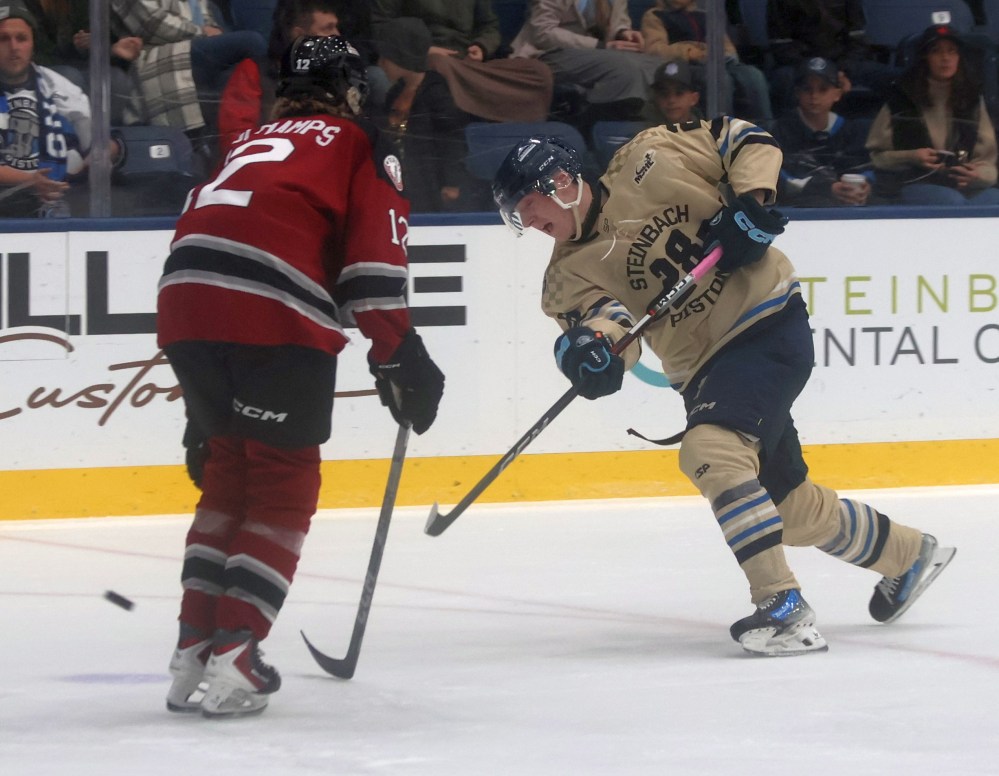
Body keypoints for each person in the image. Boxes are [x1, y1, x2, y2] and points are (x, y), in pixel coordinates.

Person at [490, 131, 955, 656]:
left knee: (711, 452)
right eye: (520, 218)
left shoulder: (650, 155)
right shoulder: (565, 277)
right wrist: (592, 351)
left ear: (560, 182)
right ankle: (910, 555)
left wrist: (749, 205)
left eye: (530, 208)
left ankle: (783, 607)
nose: (529, 224)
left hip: (764, 322)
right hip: (705, 371)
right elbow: (611, 329)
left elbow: (750, 141)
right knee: (788, 507)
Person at [158, 35, 445, 717]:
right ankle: (236, 649)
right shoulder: (358, 141)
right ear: (351, 90)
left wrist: (202, 413)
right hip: (270, 307)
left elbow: (233, 225)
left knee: (229, 472)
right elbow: (371, 265)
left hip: (183, 295)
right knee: (283, 485)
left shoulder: (252, 139)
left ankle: (193, 645)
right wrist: (397, 353)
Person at [866, 24, 999, 206]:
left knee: (993, 199)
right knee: (950, 202)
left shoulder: (972, 99)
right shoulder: (901, 97)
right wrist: (912, 156)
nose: (945, 58)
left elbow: (987, 163)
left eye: (952, 51)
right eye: (936, 51)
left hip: (963, 186)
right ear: (925, 57)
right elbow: (877, 157)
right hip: (914, 182)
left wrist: (978, 175)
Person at [216, 0, 343, 157]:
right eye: (327, 28)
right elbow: (235, 140)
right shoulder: (253, 72)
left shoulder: (337, 75)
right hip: (271, 170)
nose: (337, 35)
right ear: (300, 36)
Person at [0, 0, 90, 217]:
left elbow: (99, 144)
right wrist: (29, 181)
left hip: (61, 201)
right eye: (3, 39)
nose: (14, 47)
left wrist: (104, 153)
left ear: (32, 44)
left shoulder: (60, 86)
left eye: (21, 38)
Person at [510, 0, 664, 125]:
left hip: (599, 52)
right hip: (549, 53)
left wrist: (623, 33)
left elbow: (619, 22)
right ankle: (589, 126)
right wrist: (598, 45)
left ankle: (649, 129)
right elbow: (543, 34)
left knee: (658, 66)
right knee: (623, 68)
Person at [641, 0, 772, 122]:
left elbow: (727, 46)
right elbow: (654, 49)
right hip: (685, 65)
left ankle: (764, 129)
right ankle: (720, 130)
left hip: (717, 61)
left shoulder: (706, 15)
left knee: (753, 75)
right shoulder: (655, 15)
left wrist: (721, 54)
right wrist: (686, 52)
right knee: (720, 79)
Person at [766, 0, 897, 118]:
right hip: (800, 65)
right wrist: (817, 73)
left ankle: (894, 138)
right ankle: (790, 138)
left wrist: (842, 70)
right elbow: (781, 44)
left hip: (843, 64)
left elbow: (858, 40)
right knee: (783, 79)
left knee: (897, 79)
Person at [771, 56, 873, 207]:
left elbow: (866, 170)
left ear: (837, 94)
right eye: (807, 89)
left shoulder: (851, 130)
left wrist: (866, 186)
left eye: (823, 89)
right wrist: (827, 189)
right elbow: (779, 179)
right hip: (799, 209)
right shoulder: (781, 129)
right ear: (797, 93)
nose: (814, 96)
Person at [645, 58, 702, 124]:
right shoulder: (645, 132)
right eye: (664, 94)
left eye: (679, 93)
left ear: (694, 99)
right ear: (656, 98)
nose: (671, 100)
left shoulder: (708, 132)